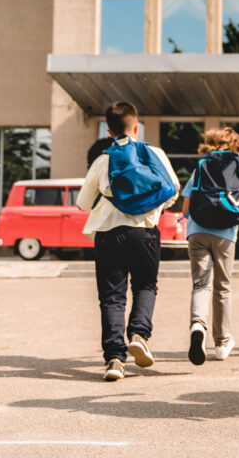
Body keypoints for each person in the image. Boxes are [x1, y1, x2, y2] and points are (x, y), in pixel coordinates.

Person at [77, 101, 180, 381]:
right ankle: (139, 334)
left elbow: (83, 203)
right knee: (146, 285)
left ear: (109, 131)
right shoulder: (153, 152)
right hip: (145, 232)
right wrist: (151, 207)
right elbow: (173, 190)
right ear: (137, 127)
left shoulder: (103, 159)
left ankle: (114, 360)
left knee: (112, 297)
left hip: (109, 234)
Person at [182, 127, 239, 365]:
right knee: (222, 287)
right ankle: (221, 343)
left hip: (197, 230)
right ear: (237, 148)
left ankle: (197, 325)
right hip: (225, 233)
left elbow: (186, 204)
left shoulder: (201, 165)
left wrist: (189, 223)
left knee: (201, 284)